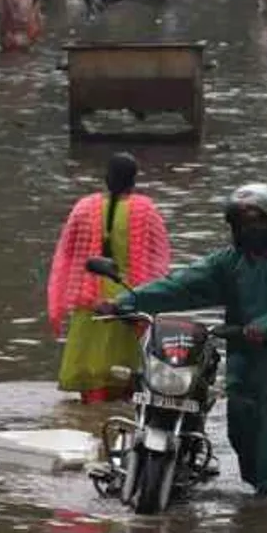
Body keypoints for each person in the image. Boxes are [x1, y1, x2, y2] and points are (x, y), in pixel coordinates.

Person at [100, 184, 267, 500]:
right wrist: (126, 301)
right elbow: (182, 285)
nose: (250, 229)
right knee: (247, 426)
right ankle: (263, 501)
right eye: (242, 223)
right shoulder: (228, 262)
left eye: (257, 221)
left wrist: (262, 327)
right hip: (246, 360)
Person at [48, 153, 170, 404]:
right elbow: (160, 257)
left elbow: (67, 253)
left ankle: (91, 417)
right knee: (127, 375)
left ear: (106, 178)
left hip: (89, 299)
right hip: (129, 299)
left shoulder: (84, 208)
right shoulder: (146, 210)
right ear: (134, 180)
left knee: (91, 372)